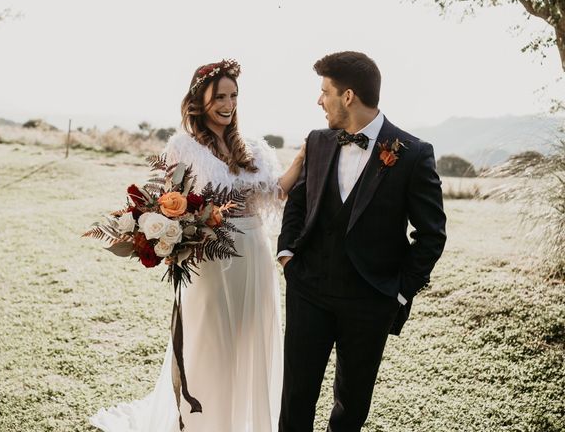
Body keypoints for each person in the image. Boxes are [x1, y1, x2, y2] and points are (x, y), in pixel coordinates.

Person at [90, 59, 305, 432]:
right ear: (199, 99)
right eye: (219, 96)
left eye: (233, 96)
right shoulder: (183, 146)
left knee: (250, 337)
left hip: (254, 252)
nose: (228, 103)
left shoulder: (252, 148)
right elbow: (167, 199)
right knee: (210, 340)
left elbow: (277, 192)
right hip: (208, 257)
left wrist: (302, 158)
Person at [277, 51, 447, 432]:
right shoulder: (317, 141)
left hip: (370, 300)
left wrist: (398, 294)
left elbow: (431, 235)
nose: (319, 101)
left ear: (348, 96)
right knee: (295, 396)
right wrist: (288, 254)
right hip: (308, 290)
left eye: (325, 92)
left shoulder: (413, 154)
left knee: (351, 405)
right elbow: (300, 201)